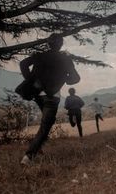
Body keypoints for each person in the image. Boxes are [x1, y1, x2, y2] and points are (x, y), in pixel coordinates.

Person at [19, 35, 80, 165]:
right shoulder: (65, 59)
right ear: (61, 44)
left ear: (48, 44)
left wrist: (31, 79)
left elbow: (23, 64)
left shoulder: (40, 56)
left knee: (45, 123)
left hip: (37, 94)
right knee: (45, 127)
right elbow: (75, 78)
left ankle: (38, 147)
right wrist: (64, 79)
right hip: (52, 97)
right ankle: (29, 157)